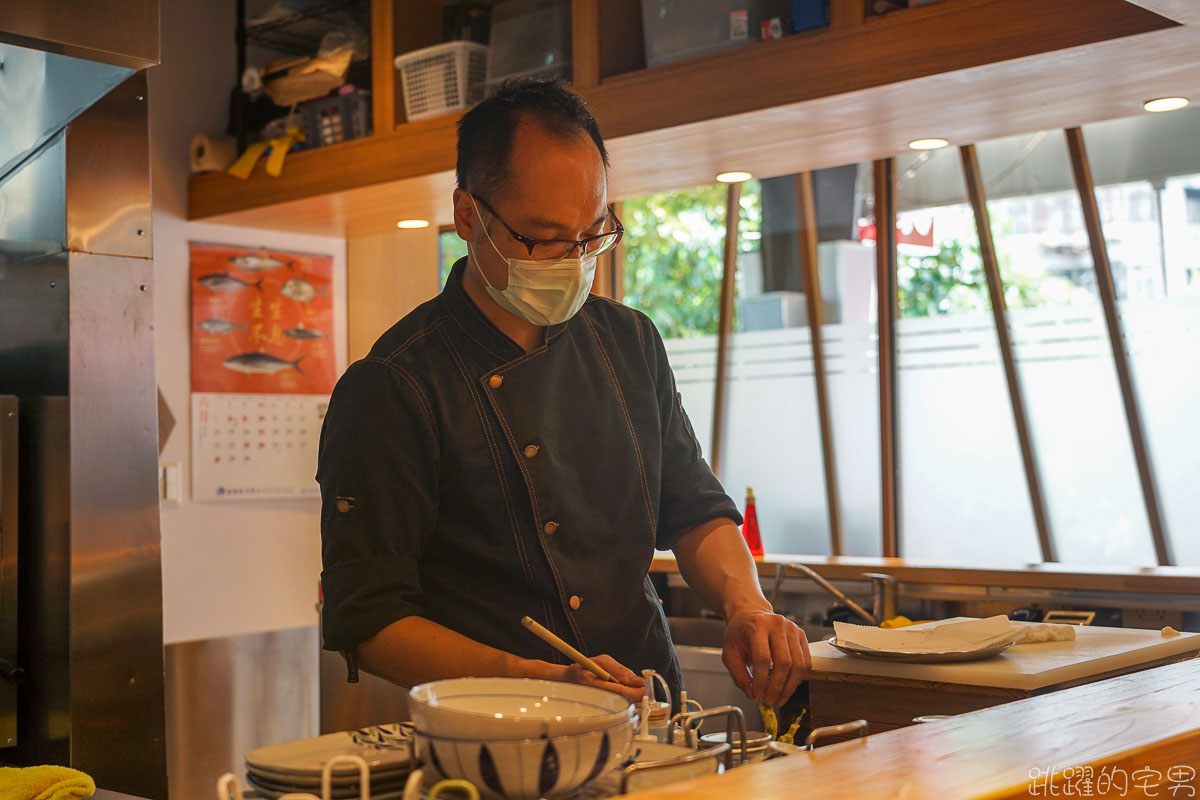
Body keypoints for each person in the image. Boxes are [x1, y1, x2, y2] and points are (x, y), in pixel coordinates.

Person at [317, 78, 809, 709]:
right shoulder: (395, 385)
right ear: (467, 215)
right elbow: (372, 624)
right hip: (495, 738)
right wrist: (538, 683)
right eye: (544, 238)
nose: (574, 259)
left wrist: (747, 605)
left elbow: (692, 509)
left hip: (651, 719)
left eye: (592, 234)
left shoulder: (628, 341)